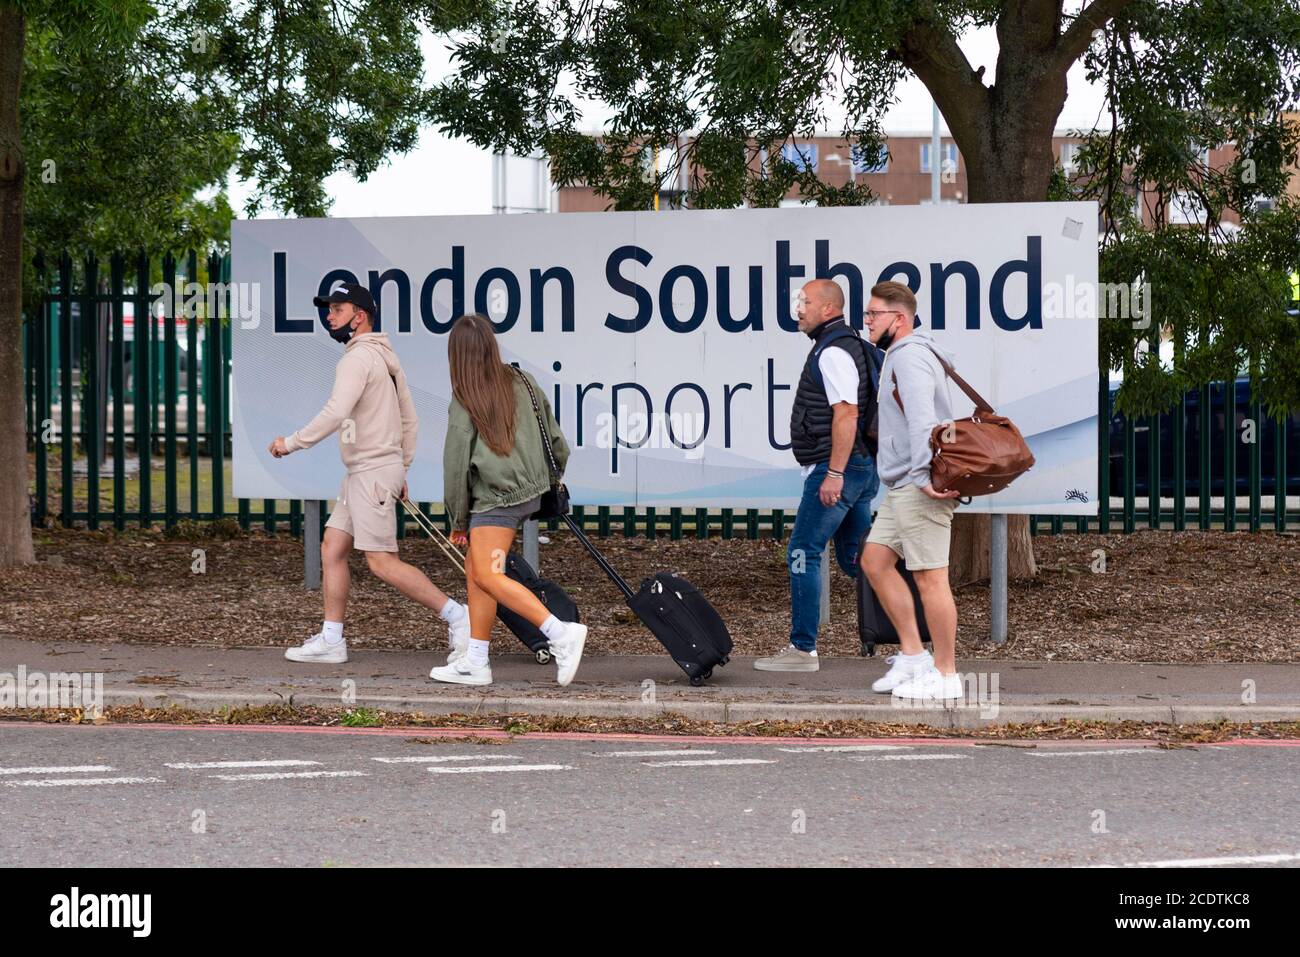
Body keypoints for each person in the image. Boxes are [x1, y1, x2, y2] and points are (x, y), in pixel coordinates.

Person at [268, 282, 469, 664]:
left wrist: (290, 443)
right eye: (327, 308)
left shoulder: (358, 360)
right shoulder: (385, 358)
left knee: (381, 562)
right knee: (333, 547)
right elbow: (410, 420)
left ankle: (458, 616)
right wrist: (401, 466)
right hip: (370, 472)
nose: (329, 315)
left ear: (359, 316)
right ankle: (332, 639)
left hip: (372, 473)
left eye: (337, 309)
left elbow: (336, 410)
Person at [431, 313, 587, 687]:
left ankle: (560, 633)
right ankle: (476, 660)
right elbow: (557, 440)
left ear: (457, 355)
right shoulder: (523, 380)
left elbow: (455, 466)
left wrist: (456, 519)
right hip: (527, 492)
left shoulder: (465, 398)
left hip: (494, 499)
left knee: (488, 573)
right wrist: (545, 480)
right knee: (476, 570)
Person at [755, 278, 883, 672]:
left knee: (803, 551)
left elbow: (846, 414)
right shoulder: (855, 346)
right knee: (856, 559)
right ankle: (912, 636)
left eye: (805, 302)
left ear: (828, 309)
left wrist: (834, 472)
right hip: (860, 468)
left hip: (840, 469)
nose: (799, 309)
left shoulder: (833, 353)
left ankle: (802, 649)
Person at [859, 280, 963, 701]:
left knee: (930, 578)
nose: (866, 322)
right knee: (875, 561)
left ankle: (946, 674)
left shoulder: (910, 357)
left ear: (898, 319)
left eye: (873, 315)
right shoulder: (900, 356)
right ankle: (914, 655)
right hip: (902, 486)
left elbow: (924, 421)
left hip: (918, 486)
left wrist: (923, 476)